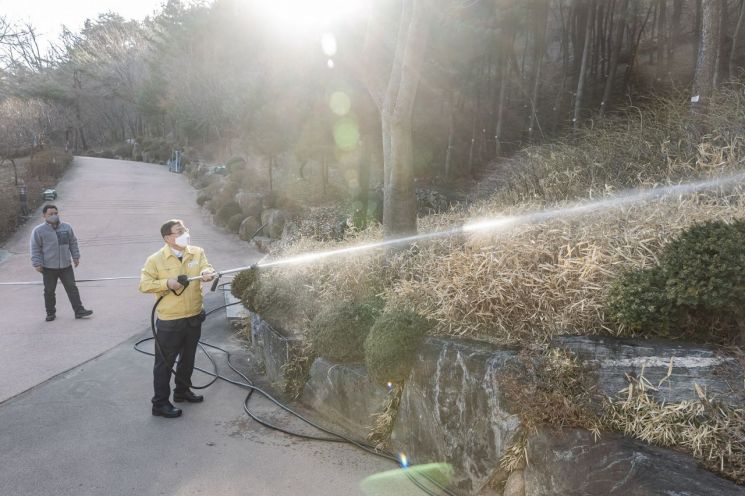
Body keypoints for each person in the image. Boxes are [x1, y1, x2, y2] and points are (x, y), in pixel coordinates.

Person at [139, 219, 216, 418]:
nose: (185, 234)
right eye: (179, 231)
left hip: (193, 315)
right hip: (170, 320)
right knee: (164, 364)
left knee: (188, 359)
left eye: (185, 230)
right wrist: (168, 283)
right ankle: (160, 403)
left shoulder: (197, 252)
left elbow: (206, 267)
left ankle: (182, 391)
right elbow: (144, 285)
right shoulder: (155, 260)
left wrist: (208, 273)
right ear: (167, 238)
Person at [30, 204, 93, 322]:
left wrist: (76, 256)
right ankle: (50, 313)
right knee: (49, 291)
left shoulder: (66, 227)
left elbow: (73, 242)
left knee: (72, 288)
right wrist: (36, 263)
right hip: (48, 267)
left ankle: (79, 311)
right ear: (44, 215)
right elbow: (35, 248)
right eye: (50, 214)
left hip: (65, 265)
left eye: (55, 213)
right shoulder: (39, 231)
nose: (54, 216)